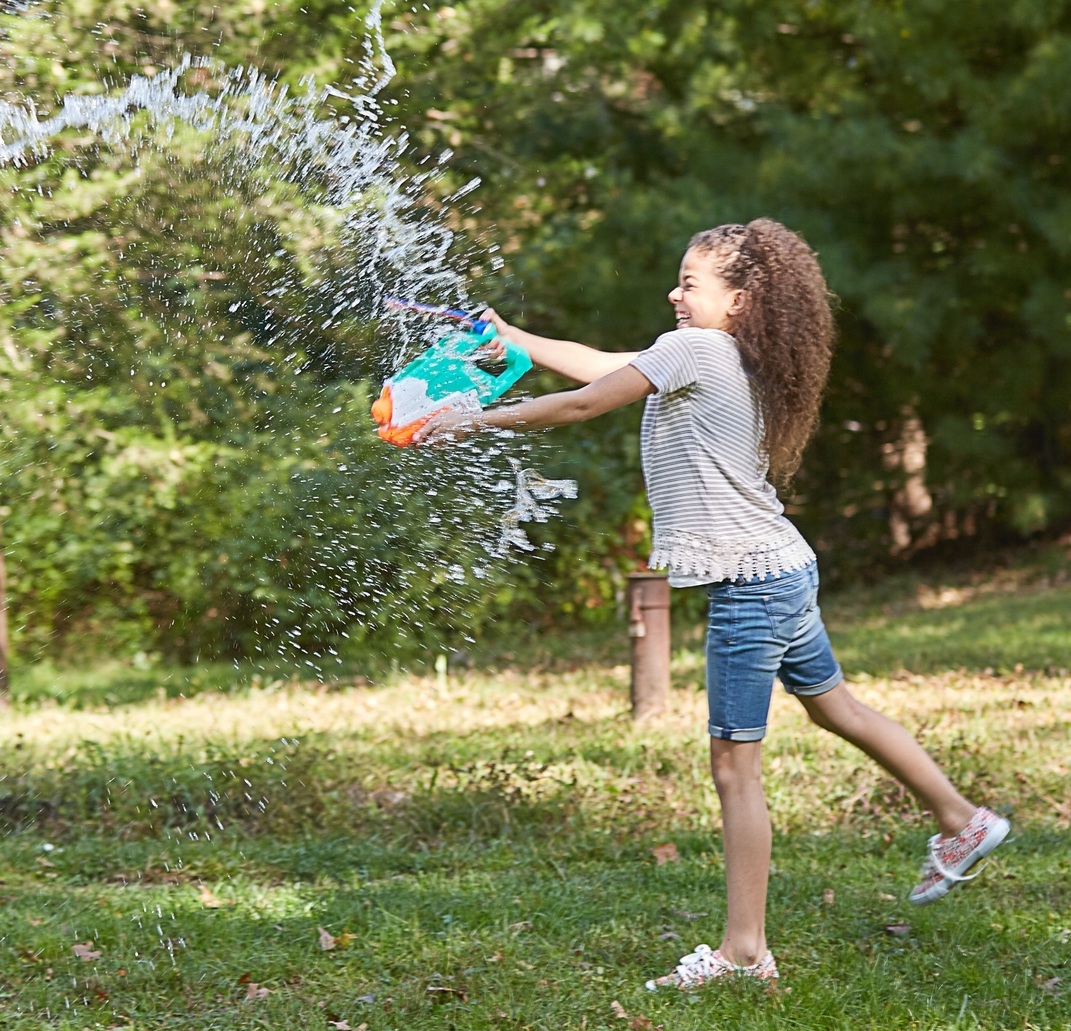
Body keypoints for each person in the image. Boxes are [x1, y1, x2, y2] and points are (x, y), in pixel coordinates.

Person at [417, 219, 1008, 990]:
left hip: (749, 585)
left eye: (690, 282)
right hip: (783, 569)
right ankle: (964, 820)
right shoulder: (716, 353)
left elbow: (583, 403)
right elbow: (608, 365)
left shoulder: (698, 350)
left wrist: (472, 422)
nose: (675, 292)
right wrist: (513, 337)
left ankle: (742, 953)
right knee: (838, 710)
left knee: (735, 768)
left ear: (738, 298)